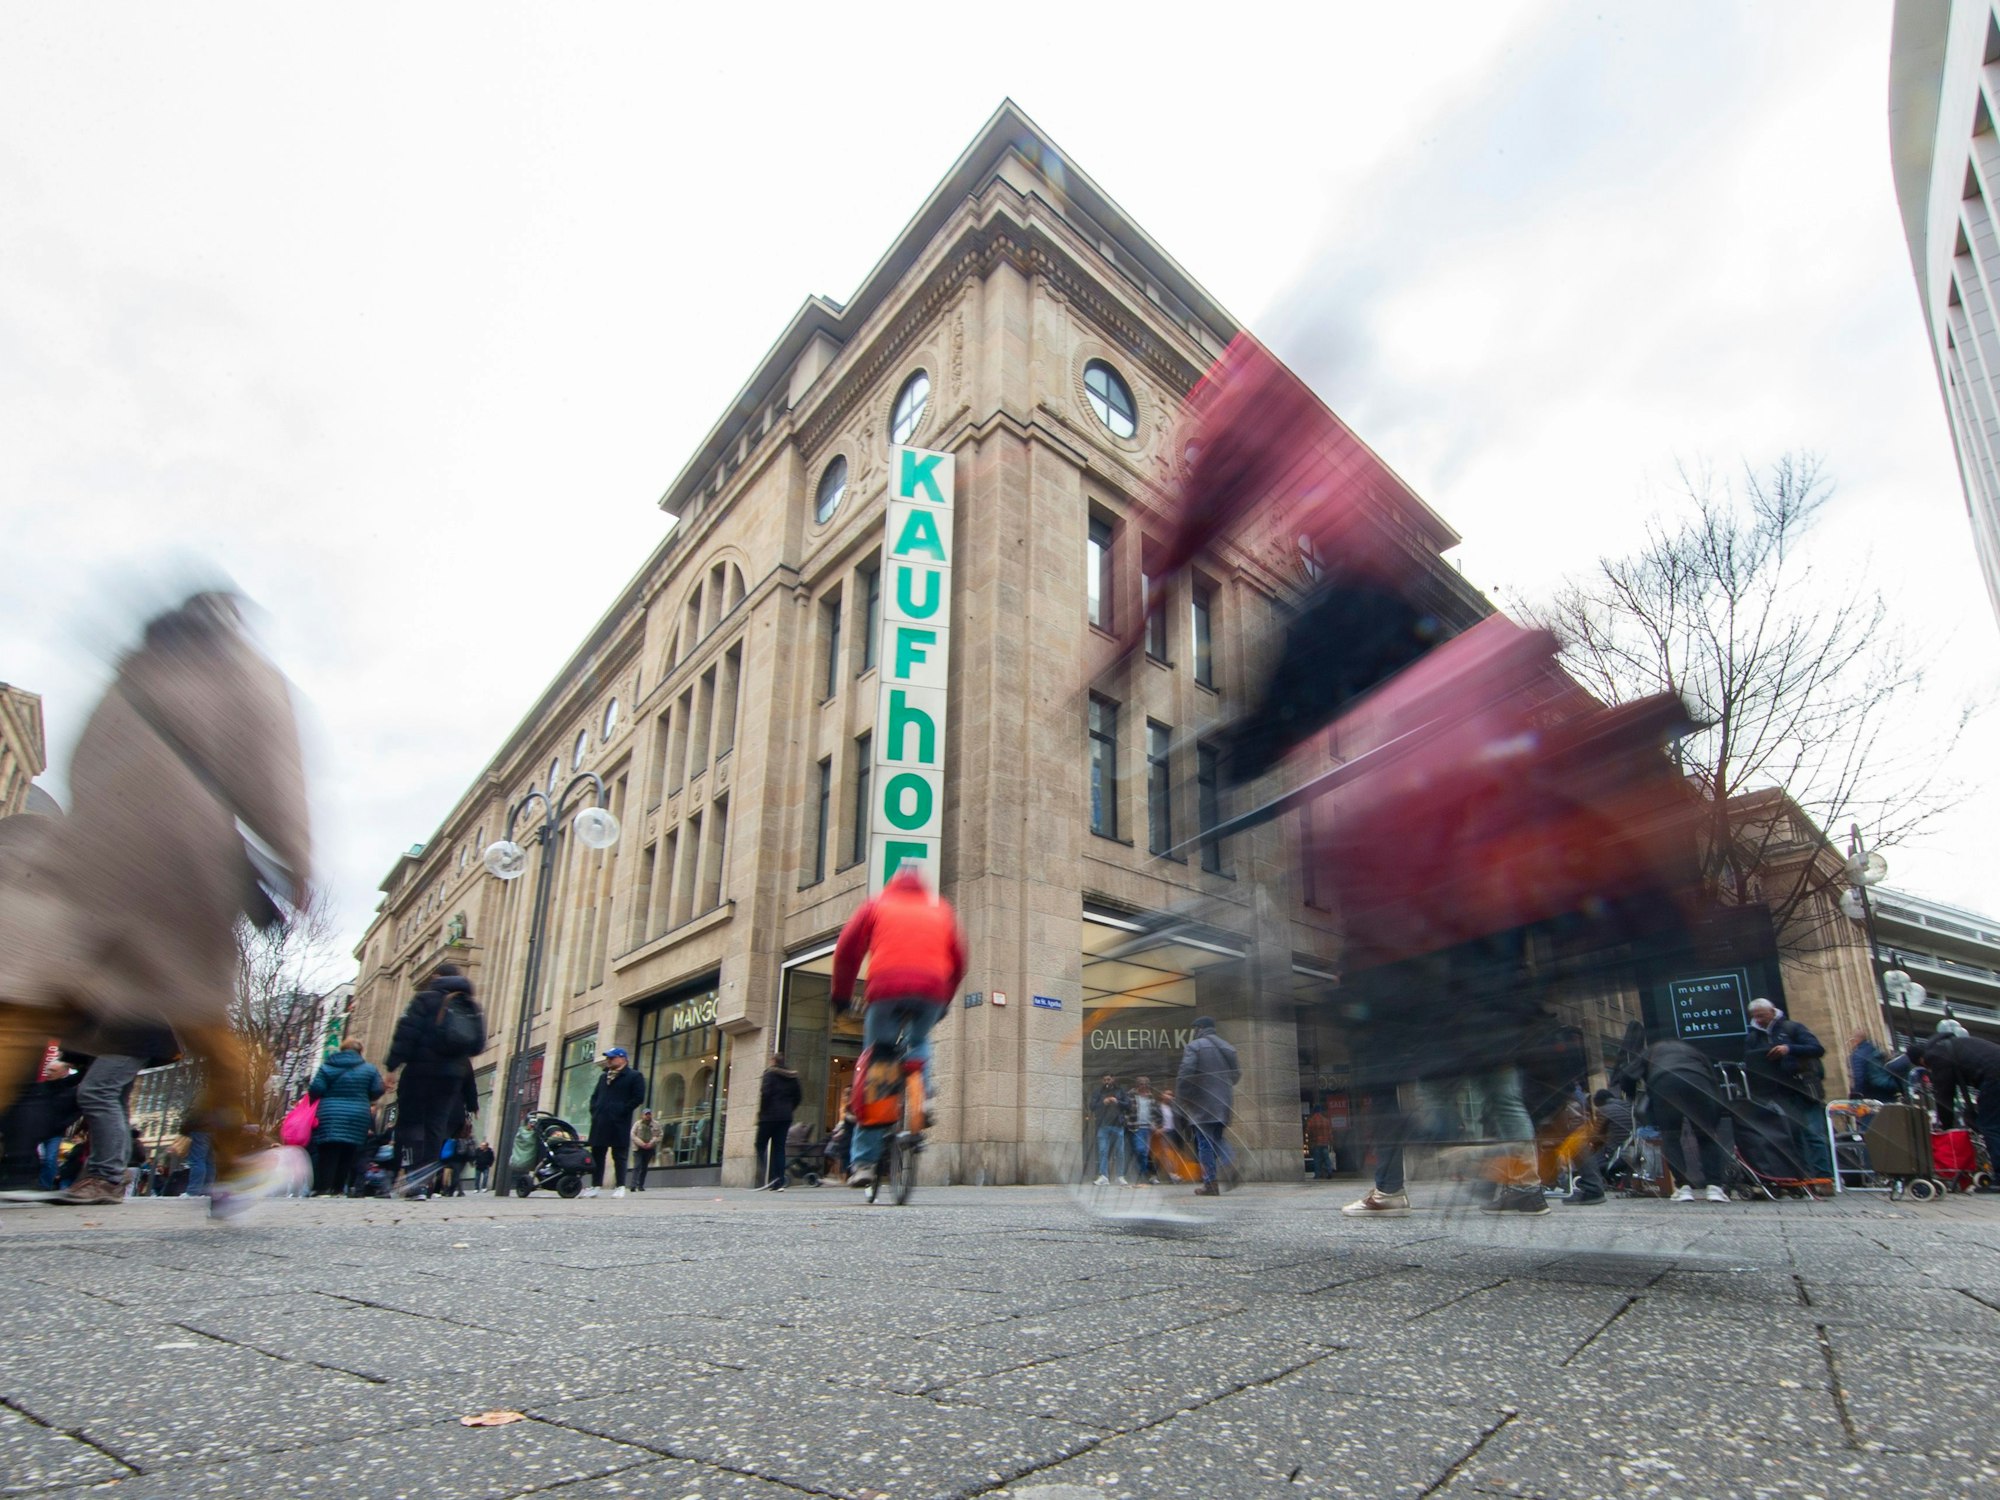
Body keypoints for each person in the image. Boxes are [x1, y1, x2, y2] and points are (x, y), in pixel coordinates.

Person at [827, 859, 968, 1192]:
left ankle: (862, 1163)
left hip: (886, 988)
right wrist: (943, 1000)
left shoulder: (877, 903)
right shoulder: (941, 909)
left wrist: (842, 996)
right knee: (919, 1040)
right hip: (931, 989)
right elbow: (960, 960)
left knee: (878, 1065)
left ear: (893, 882)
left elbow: (847, 950)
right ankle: (925, 1098)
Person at [54, 1017, 179, 1207]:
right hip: (120, 1031)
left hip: (128, 1028)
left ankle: (106, 1175)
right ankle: (109, 1175)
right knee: (113, 1096)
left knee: (97, 1092)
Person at [384, 964, 485, 1197]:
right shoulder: (470, 1005)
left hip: (419, 1072)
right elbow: (478, 1044)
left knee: (411, 1124)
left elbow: (406, 1033)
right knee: (436, 1127)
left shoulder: (424, 999)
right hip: (451, 1077)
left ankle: (413, 1177)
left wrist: (392, 1066)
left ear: (438, 977)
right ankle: (426, 1182)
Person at [1744, 999, 1832, 1181]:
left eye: (1761, 1015)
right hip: (1779, 1092)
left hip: (1804, 1089)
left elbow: (1817, 1049)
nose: (1758, 1020)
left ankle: (1824, 1178)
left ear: (1772, 1010)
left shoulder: (1793, 1028)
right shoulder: (1753, 1037)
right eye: (1755, 1016)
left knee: (1814, 1134)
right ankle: (1804, 1176)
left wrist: (1789, 1049)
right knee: (1795, 1135)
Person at [1912, 1030, 2000, 1193]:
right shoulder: (1950, 1045)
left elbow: (1944, 1095)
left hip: (1994, 1076)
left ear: (1921, 1061)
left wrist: (1945, 1126)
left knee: (1990, 1126)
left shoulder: (1936, 1056)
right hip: (1993, 1073)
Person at [307, 1040, 384, 1198]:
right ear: (360, 1052)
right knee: (348, 1151)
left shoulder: (327, 1067)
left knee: (328, 1152)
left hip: (330, 1113)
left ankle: (324, 1188)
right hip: (358, 1115)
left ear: (341, 1050)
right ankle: (339, 1189)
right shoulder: (370, 1069)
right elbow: (377, 1090)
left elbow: (316, 1089)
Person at [1175, 1017, 1240, 1197]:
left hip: (1202, 1101)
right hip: (1223, 1101)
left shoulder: (1195, 1046)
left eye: (1195, 1028)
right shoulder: (1227, 1047)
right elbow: (1236, 1075)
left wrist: (1182, 1096)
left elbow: (1186, 1073)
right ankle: (1228, 1162)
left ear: (1200, 1028)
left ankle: (1210, 1183)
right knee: (1217, 1138)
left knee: (1204, 1143)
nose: (1194, 1032)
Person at [584, 1046, 645, 1197]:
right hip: (600, 1120)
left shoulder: (634, 1076)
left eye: (612, 1058)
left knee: (619, 1154)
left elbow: (638, 1097)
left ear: (622, 1058)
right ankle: (596, 1185)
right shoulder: (604, 1077)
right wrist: (595, 1109)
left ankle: (620, 1186)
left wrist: (622, 1110)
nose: (608, 1061)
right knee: (598, 1153)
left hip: (619, 1121)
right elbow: (595, 1096)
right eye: (608, 1058)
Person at [1564, 1089, 1636, 1205]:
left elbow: (1595, 1136)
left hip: (1614, 1153)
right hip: (1631, 1150)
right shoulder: (1628, 1107)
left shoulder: (1604, 1110)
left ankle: (1587, 1186)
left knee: (1588, 1161)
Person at [754, 1054, 802, 1191]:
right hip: (785, 1116)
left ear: (773, 1061)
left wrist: (762, 1112)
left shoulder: (769, 1074)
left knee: (760, 1144)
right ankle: (778, 1180)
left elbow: (765, 1094)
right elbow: (798, 1096)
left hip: (769, 1116)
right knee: (779, 1148)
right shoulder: (792, 1076)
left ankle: (765, 1175)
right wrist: (789, 1109)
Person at [1848, 1031, 1910, 1103]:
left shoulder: (1858, 1055)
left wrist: (1857, 1095)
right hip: (1886, 1089)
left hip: (1872, 1092)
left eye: (1851, 1040)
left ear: (1855, 1040)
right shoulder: (1874, 1049)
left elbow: (1859, 1076)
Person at [1090, 1075, 1127, 1186]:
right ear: (1102, 1080)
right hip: (1103, 1126)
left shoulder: (1120, 1091)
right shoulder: (1098, 1092)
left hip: (1117, 1126)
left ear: (1113, 1079)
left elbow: (1128, 1105)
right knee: (1103, 1151)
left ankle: (1120, 1176)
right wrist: (1103, 1102)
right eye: (1105, 1079)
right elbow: (1092, 1106)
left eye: (1109, 1079)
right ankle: (1103, 1176)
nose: (1107, 1081)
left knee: (1120, 1152)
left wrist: (1117, 1101)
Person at [1125, 1076, 1161, 1184]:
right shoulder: (1131, 1095)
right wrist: (1127, 1122)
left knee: (1146, 1152)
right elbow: (1126, 1110)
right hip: (1136, 1126)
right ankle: (1144, 1173)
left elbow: (1155, 1112)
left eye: (1145, 1084)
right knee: (1140, 1150)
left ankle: (1143, 1174)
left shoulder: (1151, 1097)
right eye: (1141, 1084)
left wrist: (1154, 1123)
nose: (1143, 1086)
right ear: (1137, 1085)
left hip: (1148, 1128)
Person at [1305, 1099, 1336, 1180]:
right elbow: (1330, 1133)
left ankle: (1317, 1174)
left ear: (1314, 1111)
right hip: (1325, 1143)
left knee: (1317, 1160)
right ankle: (1329, 1172)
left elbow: (1308, 1132)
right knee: (1326, 1158)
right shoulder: (1326, 1121)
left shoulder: (1311, 1121)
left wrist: (1310, 1141)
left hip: (1316, 1143)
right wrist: (1331, 1142)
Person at [629, 1111, 659, 1192]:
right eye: (646, 1114)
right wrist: (641, 1143)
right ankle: (633, 1185)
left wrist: (651, 1143)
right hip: (638, 1148)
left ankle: (640, 1185)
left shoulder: (656, 1124)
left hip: (649, 1148)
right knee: (637, 1166)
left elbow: (659, 1135)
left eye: (649, 1114)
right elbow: (632, 1134)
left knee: (644, 1167)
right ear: (642, 1115)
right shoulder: (637, 1124)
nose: (648, 1116)